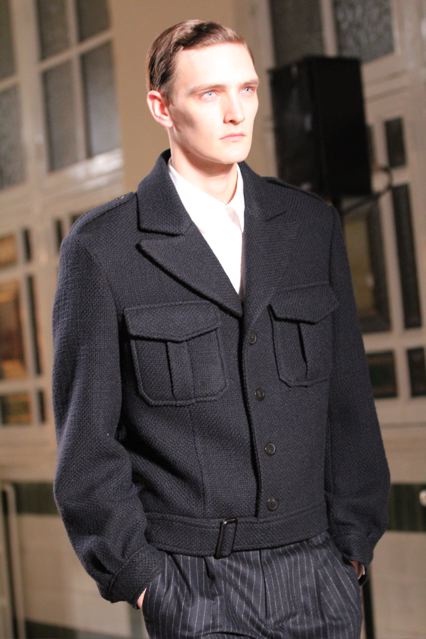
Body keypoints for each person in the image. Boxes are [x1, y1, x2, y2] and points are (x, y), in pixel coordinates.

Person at [52, 19, 390, 639]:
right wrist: (145, 581)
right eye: (209, 93)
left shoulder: (311, 227)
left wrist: (352, 551)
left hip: (321, 575)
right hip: (193, 586)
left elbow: (349, 405)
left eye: (247, 89)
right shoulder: (103, 249)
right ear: (162, 107)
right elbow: (87, 446)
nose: (236, 112)